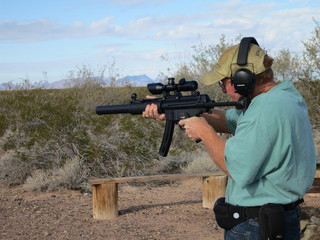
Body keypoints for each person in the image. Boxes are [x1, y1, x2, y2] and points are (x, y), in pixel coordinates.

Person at [143, 37, 317, 240]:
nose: (223, 89)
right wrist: (183, 112)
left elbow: (236, 168)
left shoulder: (266, 109)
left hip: (257, 224)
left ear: (244, 78)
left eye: (224, 82)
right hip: (271, 218)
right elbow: (230, 120)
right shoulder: (281, 97)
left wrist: (205, 133)